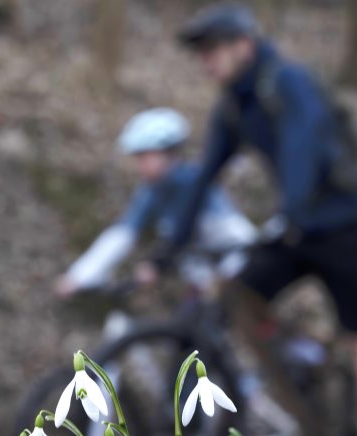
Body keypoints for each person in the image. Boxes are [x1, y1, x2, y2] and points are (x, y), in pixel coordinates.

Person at [170, 2, 357, 436]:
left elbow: (303, 142)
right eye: (201, 52)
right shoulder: (234, 106)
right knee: (237, 294)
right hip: (295, 229)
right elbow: (203, 175)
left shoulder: (286, 81)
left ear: (245, 45)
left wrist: (291, 209)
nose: (206, 60)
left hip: (340, 223)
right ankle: (302, 355)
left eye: (214, 49)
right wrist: (169, 245)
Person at [55, 107, 255, 298]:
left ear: (168, 153)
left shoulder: (192, 180)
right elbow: (122, 234)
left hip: (238, 263)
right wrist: (78, 277)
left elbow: (228, 232)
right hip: (202, 274)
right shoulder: (150, 193)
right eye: (138, 157)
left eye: (145, 156)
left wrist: (158, 263)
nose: (140, 165)